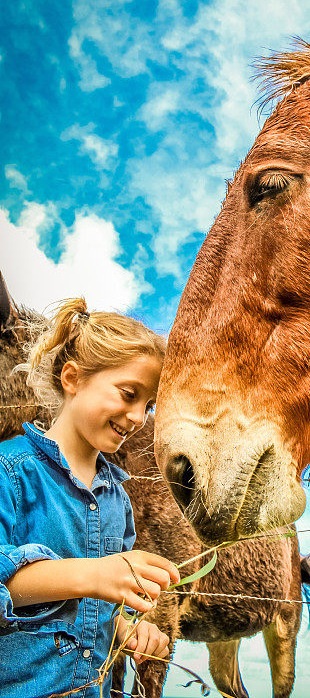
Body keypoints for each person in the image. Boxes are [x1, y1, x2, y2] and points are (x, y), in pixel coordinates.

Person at [0, 298, 181, 698]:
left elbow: (94, 611)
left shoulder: (118, 501)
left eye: (148, 405)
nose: (138, 417)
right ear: (72, 378)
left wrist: (129, 628)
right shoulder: (11, 471)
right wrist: (97, 575)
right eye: (128, 393)